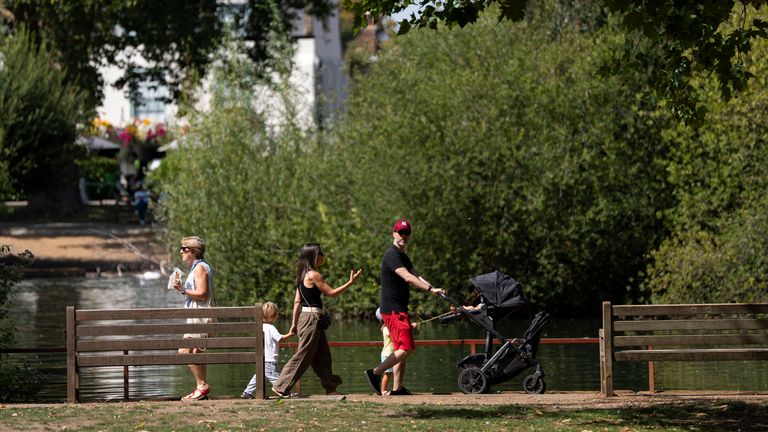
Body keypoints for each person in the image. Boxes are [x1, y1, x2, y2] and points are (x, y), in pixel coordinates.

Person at [364, 219, 444, 396]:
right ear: (394, 233)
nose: (404, 236)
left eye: (406, 233)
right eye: (401, 233)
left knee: (401, 348)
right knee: (406, 348)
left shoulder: (402, 256)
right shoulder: (391, 254)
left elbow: (417, 275)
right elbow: (407, 277)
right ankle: (375, 373)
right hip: (392, 310)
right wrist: (430, 289)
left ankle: (397, 388)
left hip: (399, 308)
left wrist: (434, 290)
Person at [271, 243, 362, 398]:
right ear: (314, 256)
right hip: (311, 319)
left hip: (309, 318)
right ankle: (280, 386)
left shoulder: (301, 274)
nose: (323, 256)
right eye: (321, 253)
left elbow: (296, 301)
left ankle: (330, 388)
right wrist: (350, 283)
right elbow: (331, 293)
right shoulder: (313, 275)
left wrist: (294, 323)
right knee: (304, 354)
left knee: (323, 356)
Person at [172, 236, 215, 401]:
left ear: (193, 251)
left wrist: (183, 290)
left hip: (200, 316)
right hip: (198, 316)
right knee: (196, 352)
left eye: (184, 249)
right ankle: (200, 388)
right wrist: (181, 289)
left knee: (184, 352)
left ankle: (202, 385)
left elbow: (203, 294)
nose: (181, 252)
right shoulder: (198, 267)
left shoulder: (200, 268)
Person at [241, 302, 295, 399]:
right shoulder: (271, 328)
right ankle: (281, 390)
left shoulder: (259, 327)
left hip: (260, 358)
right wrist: (290, 334)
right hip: (270, 359)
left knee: (258, 376)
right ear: (274, 317)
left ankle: (247, 392)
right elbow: (280, 338)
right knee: (275, 377)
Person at [375, 308, 394, 395]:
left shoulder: (388, 327)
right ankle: (383, 390)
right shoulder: (386, 328)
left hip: (391, 354)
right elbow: (393, 334)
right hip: (387, 354)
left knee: (389, 373)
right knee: (388, 373)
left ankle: (374, 372)